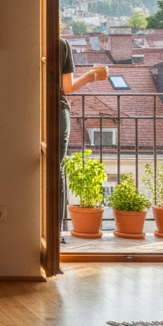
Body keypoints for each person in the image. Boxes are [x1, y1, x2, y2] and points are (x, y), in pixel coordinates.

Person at [60, 38, 108, 240]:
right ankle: (56, 230)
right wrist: (91, 76)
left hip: (31, 109)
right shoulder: (61, 45)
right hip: (56, 111)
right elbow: (67, 87)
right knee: (56, 171)